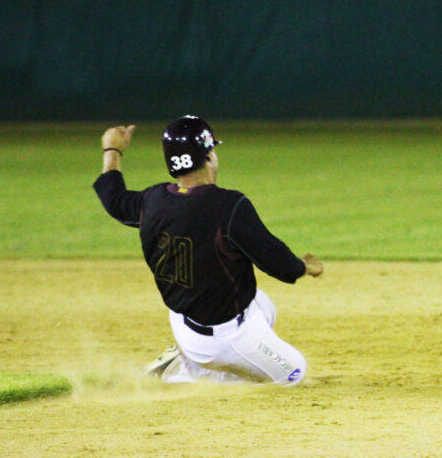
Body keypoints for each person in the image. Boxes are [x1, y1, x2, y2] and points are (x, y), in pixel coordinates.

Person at [93, 116, 323, 384]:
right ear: (209, 154)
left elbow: (114, 200)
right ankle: (185, 372)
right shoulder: (228, 205)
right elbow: (279, 264)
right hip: (225, 339)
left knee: (262, 305)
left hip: (185, 324)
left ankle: (191, 359)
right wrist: (304, 266)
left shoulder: (152, 201)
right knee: (295, 373)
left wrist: (112, 150)